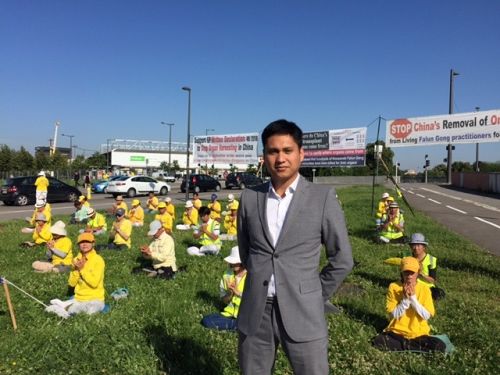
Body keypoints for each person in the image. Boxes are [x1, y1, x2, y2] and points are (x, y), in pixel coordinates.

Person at [237, 119, 353, 374]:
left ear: (301, 154)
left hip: (304, 311)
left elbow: (342, 258)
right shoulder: (249, 198)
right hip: (257, 309)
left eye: (287, 150)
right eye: (273, 151)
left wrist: (313, 293)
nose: (280, 158)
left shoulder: (322, 198)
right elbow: (247, 253)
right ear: (264, 157)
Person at [372, 257, 446, 352]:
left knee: (439, 345)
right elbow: (393, 315)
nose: (409, 276)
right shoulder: (394, 287)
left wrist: (413, 299)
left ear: (418, 273)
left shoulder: (425, 289)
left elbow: (426, 316)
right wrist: (405, 300)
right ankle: (413, 346)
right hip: (397, 332)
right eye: (406, 272)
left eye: (412, 273)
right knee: (379, 341)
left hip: (419, 333)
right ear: (401, 273)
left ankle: (405, 345)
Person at [201, 246, 247, 331]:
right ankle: (238, 325)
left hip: (247, 315)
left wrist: (239, 293)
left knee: (209, 322)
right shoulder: (227, 275)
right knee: (207, 320)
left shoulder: (252, 275)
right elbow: (225, 301)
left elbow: (256, 300)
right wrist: (230, 293)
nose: (231, 265)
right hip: (229, 313)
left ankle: (240, 325)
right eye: (231, 262)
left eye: (234, 262)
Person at [67, 232, 105, 315]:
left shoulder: (98, 260)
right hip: (78, 298)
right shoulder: (76, 259)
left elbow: (94, 283)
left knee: (89, 313)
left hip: (95, 298)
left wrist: (82, 269)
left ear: (93, 244)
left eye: (87, 242)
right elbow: (71, 283)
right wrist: (76, 270)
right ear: (78, 245)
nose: (84, 244)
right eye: (81, 242)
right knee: (69, 312)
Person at [409, 233, 445, 300]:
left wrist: (421, 274)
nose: (416, 248)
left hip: (427, 286)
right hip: (413, 286)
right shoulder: (409, 259)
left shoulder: (431, 260)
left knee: (437, 294)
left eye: (418, 245)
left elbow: (432, 280)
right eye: (413, 245)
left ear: (424, 247)